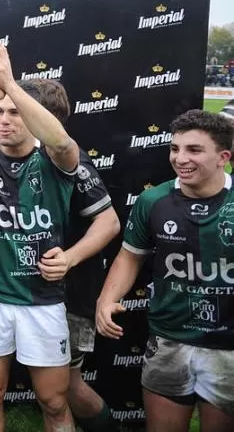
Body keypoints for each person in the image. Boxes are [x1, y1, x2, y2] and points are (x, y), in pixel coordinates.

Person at [0, 41, 120, 432]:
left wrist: (69, 258)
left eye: (15, 113)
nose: (4, 121)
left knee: (55, 401)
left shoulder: (58, 158)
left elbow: (61, 144)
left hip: (44, 300)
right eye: (0, 113)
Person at [97, 109, 234, 432]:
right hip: (169, 338)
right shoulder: (152, 201)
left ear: (223, 157)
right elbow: (130, 257)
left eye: (194, 150)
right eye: (175, 148)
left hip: (227, 346)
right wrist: (106, 299)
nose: (180, 158)